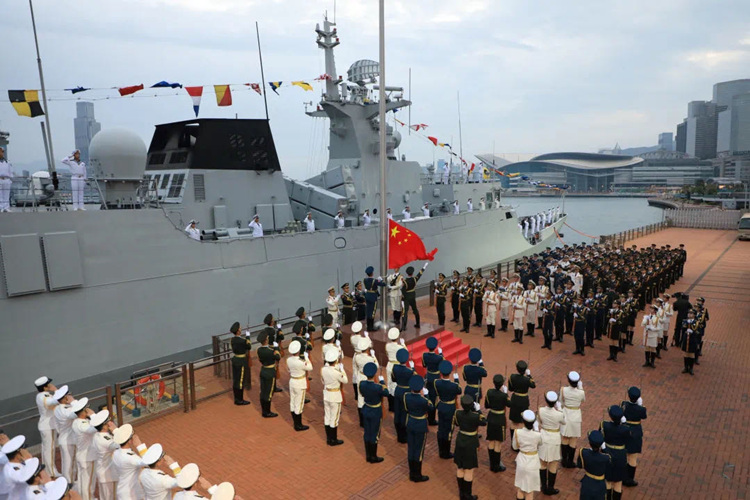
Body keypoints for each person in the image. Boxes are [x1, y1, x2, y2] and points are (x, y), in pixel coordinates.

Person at [453, 394, 486, 499]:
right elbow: (484, 422)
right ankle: (467, 495)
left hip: (460, 439)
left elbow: (456, 424)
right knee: (469, 469)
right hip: (471, 442)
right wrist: (478, 410)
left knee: (460, 467)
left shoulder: (457, 413)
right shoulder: (475, 416)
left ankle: (461, 493)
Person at [404, 375, 433, 482]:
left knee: (411, 448)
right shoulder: (423, 400)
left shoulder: (406, 396)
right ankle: (417, 475)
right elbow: (431, 407)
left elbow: (406, 408)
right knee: (419, 450)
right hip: (420, 425)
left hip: (410, 422)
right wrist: (426, 395)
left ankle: (412, 473)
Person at [359, 362, 388, 463]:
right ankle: (373, 456)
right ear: (374, 374)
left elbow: (362, 394)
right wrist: (382, 382)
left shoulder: (362, 384)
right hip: (375, 411)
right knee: (375, 434)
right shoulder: (378, 387)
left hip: (366, 409)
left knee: (367, 432)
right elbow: (386, 393)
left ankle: (368, 455)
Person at [601, 406, 630, 500]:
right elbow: (628, 439)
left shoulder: (604, 425)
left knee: (608, 481)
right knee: (618, 482)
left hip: (608, 452)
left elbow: (600, 436)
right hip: (620, 455)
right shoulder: (625, 429)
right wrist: (624, 423)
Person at [538, 391, 565, 495]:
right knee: (553, 464)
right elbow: (564, 421)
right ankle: (550, 488)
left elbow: (539, 421)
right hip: (554, 438)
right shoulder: (559, 414)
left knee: (543, 463)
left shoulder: (541, 410)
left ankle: (543, 486)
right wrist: (560, 409)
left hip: (544, 436)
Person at [112, 424, 148, 500]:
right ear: (129, 441)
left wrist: (118, 432)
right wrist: (139, 445)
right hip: (131, 494)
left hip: (123, 489)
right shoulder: (130, 457)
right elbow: (149, 463)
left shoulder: (116, 452)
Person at [435, 360, 462, 460]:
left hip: (441, 406)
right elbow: (459, 391)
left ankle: (441, 451)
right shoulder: (454, 385)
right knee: (448, 430)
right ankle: (446, 452)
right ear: (450, 372)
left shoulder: (437, 382)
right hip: (450, 408)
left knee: (441, 428)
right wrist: (457, 379)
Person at [72, 398, 98, 500]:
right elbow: (96, 427)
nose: (87, 410)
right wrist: (93, 415)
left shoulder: (76, 422)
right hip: (88, 457)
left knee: (83, 481)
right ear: (82, 412)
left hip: (82, 455)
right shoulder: (83, 425)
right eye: (86, 409)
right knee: (88, 483)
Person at [513, 410, 542, 499]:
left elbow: (515, 447)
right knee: (530, 491)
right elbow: (540, 445)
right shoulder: (537, 435)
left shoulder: (517, 432)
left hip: (521, 460)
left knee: (520, 489)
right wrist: (536, 430)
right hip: (533, 462)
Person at [621, 387, 647, 487]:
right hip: (635, 432)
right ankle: (629, 479)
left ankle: (622, 476)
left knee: (624, 454)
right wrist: (640, 405)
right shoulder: (641, 409)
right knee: (632, 457)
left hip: (625, 430)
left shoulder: (624, 404)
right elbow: (644, 416)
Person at [321, 348, 348, 446]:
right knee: (334, 419)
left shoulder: (323, 369)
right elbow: (345, 380)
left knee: (327, 416)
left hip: (327, 394)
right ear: (335, 360)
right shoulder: (337, 372)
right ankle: (333, 439)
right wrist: (342, 370)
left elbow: (323, 381)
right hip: (335, 396)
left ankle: (329, 438)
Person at [33, 376, 59, 476]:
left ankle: (47, 470)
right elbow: (52, 403)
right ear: (45, 387)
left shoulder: (40, 395)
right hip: (49, 425)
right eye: (48, 384)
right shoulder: (44, 396)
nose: (50, 385)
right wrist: (56, 391)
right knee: (50, 450)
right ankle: (52, 473)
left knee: (46, 449)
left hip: (46, 425)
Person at [52, 385, 78, 483]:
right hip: (68, 440)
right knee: (69, 465)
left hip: (65, 438)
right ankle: (68, 484)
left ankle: (70, 482)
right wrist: (73, 401)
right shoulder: (66, 410)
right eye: (68, 395)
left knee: (69, 464)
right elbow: (79, 411)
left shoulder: (57, 408)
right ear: (65, 398)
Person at [560, 371, 585, 469]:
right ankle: (570, 461)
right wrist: (580, 387)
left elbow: (561, 401)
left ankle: (564, 460)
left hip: (566, 413)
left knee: (565, 438)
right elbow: (583, 400)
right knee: (573, 439)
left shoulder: (563, 389)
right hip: (576, 415)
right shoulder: (581, 392)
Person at [508, 360, 535, 450]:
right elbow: (533, 385)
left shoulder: (512, 377)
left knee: (514, 422)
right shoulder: (527, 379)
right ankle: (520, 443)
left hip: (515, 399)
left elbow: (510, 389)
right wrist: (529, 375)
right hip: (524, 400)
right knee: (522, 421)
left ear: (517, 369)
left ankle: (513, 443)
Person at [286, 340, 313, 431]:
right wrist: (307, 358)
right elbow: (310, 367)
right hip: (300, 383)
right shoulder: (301, 362)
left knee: (293, 402)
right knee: (299, 404)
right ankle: (298, 425)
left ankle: (296, 423)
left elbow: (289, 370)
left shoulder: (288, 360)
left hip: (292, 381)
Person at [484, 374, 508, 473]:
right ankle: (496, 466)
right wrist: (506, 394)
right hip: (500, 419)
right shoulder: (503, 395)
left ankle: (492, 464)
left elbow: (486, 405)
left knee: (491, 441)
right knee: (497, 443)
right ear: (502, 384)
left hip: (491, 417)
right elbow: (509, 404)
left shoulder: (489, 392)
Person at [92, 410, 118, 500]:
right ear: (103, 426)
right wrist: (116, 431)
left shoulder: (96, 435)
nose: (110, 424)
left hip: (102, 471)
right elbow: (120, 445)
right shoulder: (105, 440)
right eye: (107, 423)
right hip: (108, 474)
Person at [576, 430, 610, 500]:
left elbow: (580, 465)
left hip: (587, 482)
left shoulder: (583, 452)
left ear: (589, 442)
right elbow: (611, 460)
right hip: (600, 484)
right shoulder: (605, 457)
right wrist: (604, 449)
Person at [391, 348, 414, 443]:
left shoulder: (395, 367)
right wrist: (413, 368)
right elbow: (414, 382)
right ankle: (404, 436)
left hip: (398, 390)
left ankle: (399, 435)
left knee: (397, 412)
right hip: (406, 392)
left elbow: (393, 379)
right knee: (405, 413)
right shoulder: (410, 371)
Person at [257, 329, 281, 417]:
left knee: (263, 391)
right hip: (270, 372)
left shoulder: (259, 350)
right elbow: (278, 357)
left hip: (263, 370)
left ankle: (264, 410)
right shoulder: (270, 351)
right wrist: (276, 348)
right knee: (269, 392)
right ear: (266, 340)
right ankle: (267, 412)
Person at [355, 336, 378, 429]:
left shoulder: (357, 357)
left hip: (360, 376)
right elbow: (376, 366)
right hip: (367, 377)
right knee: (368, 397)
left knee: (360, 398)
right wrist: (373, 356)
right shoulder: (370, 359)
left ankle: (362, 421)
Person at [228, 322, 252, 406]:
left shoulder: (232, 340)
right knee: (241, 380)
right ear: (238, 331)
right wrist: (248, 337)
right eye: (240, 328)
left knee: (236, 379)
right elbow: (249, 346)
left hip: (235, 359)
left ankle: (236, 398)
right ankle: (240, 399)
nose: (241, 329)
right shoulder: (242, 340)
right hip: (241, 360)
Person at [422, 337, 444, 425]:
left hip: (428, 376)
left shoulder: (424, 355)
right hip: (436, 378)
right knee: (434, 399)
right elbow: (442, 366)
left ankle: (427, 414)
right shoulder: (439, 357)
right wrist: (441, 353)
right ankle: (431, 419)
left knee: (428, 396)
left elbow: (424, 365)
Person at [401, 263, 428, 330]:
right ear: (412, 273)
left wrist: (402, 298)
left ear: (407, 273)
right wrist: (424, 267)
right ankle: (418, 323)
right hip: (413, 296)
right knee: (415, 309)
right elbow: (420, 274)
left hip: (407, 297)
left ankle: (404, 326)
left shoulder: (405, 282)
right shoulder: (415, 279)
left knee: (405, 311)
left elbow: (403, 291)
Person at [384, 327, 402, 411]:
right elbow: (405, 354)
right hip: (396, 365)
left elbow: (387, 354)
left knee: (389, 384)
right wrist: (403, 344)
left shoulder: (387, 345)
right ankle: (395, 405)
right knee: (395, 385)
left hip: (389, 364)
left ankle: (390, 405)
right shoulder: (399, 347)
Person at [363, 267, 385, 331]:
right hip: (373, 296)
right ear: (372, 273)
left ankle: (368, 326)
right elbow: (383, 284)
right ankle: (371, 327)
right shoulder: (374, 281)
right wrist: (381, 280)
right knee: (372, 311)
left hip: (367, 295)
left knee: (368, 311)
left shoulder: (365, 280)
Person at [680, 309, 699, 375]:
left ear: (694, 315)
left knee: (691, 353)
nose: (689, 314)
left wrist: (692, 332)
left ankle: (691, 368)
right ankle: (686, 367)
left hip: (692, 339)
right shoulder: (685, 321)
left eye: (691, 313)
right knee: (686, 353)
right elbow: (683, 328)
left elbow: (698, 331)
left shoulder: (696, 322)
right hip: (686, 338)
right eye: (689, 313)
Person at [0, 147, 12, 212]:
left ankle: (6, 207)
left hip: (6, 179)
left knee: (6, 194)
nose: (1, 153)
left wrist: (10, 179)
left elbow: (10, 171)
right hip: (0, 179)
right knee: (0, 194)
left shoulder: (7, 162)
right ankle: (1, 207)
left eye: (2, 152)